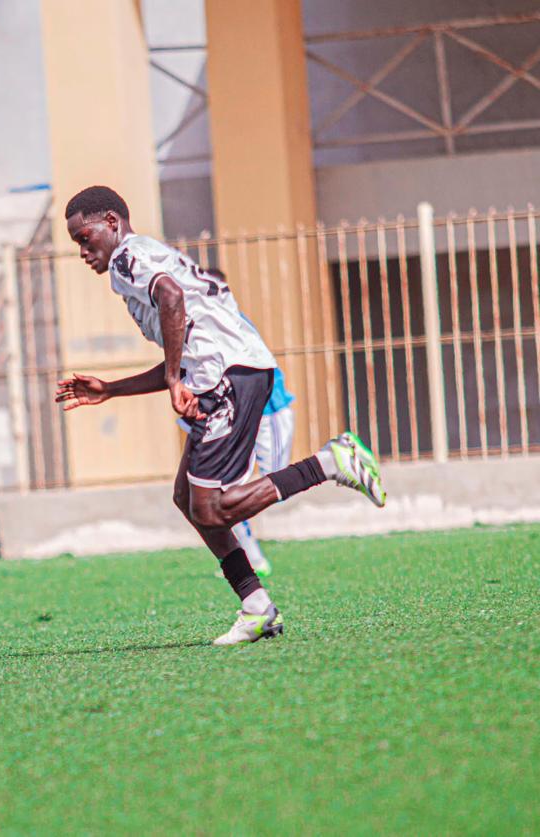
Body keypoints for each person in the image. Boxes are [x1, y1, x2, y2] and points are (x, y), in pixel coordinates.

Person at [55, 186, 385, 645]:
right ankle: (257, 606)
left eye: (85, 238)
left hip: (232, 376)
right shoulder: (144, 257)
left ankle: (330, 462)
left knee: (211, 507)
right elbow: (184, 340)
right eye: (77, 244)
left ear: (112, 222)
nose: (83, 252)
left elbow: (171, 298)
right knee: (187, 498)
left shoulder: (128, 258)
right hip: (230, 372)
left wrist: (175, 379)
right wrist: (112, 389)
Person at [179, 347, 295, 578]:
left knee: (279, 482)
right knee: (216, 492)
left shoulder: (228, 329)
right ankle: (251, 557)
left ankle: (330, 462)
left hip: (267, 410)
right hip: (224, 414)